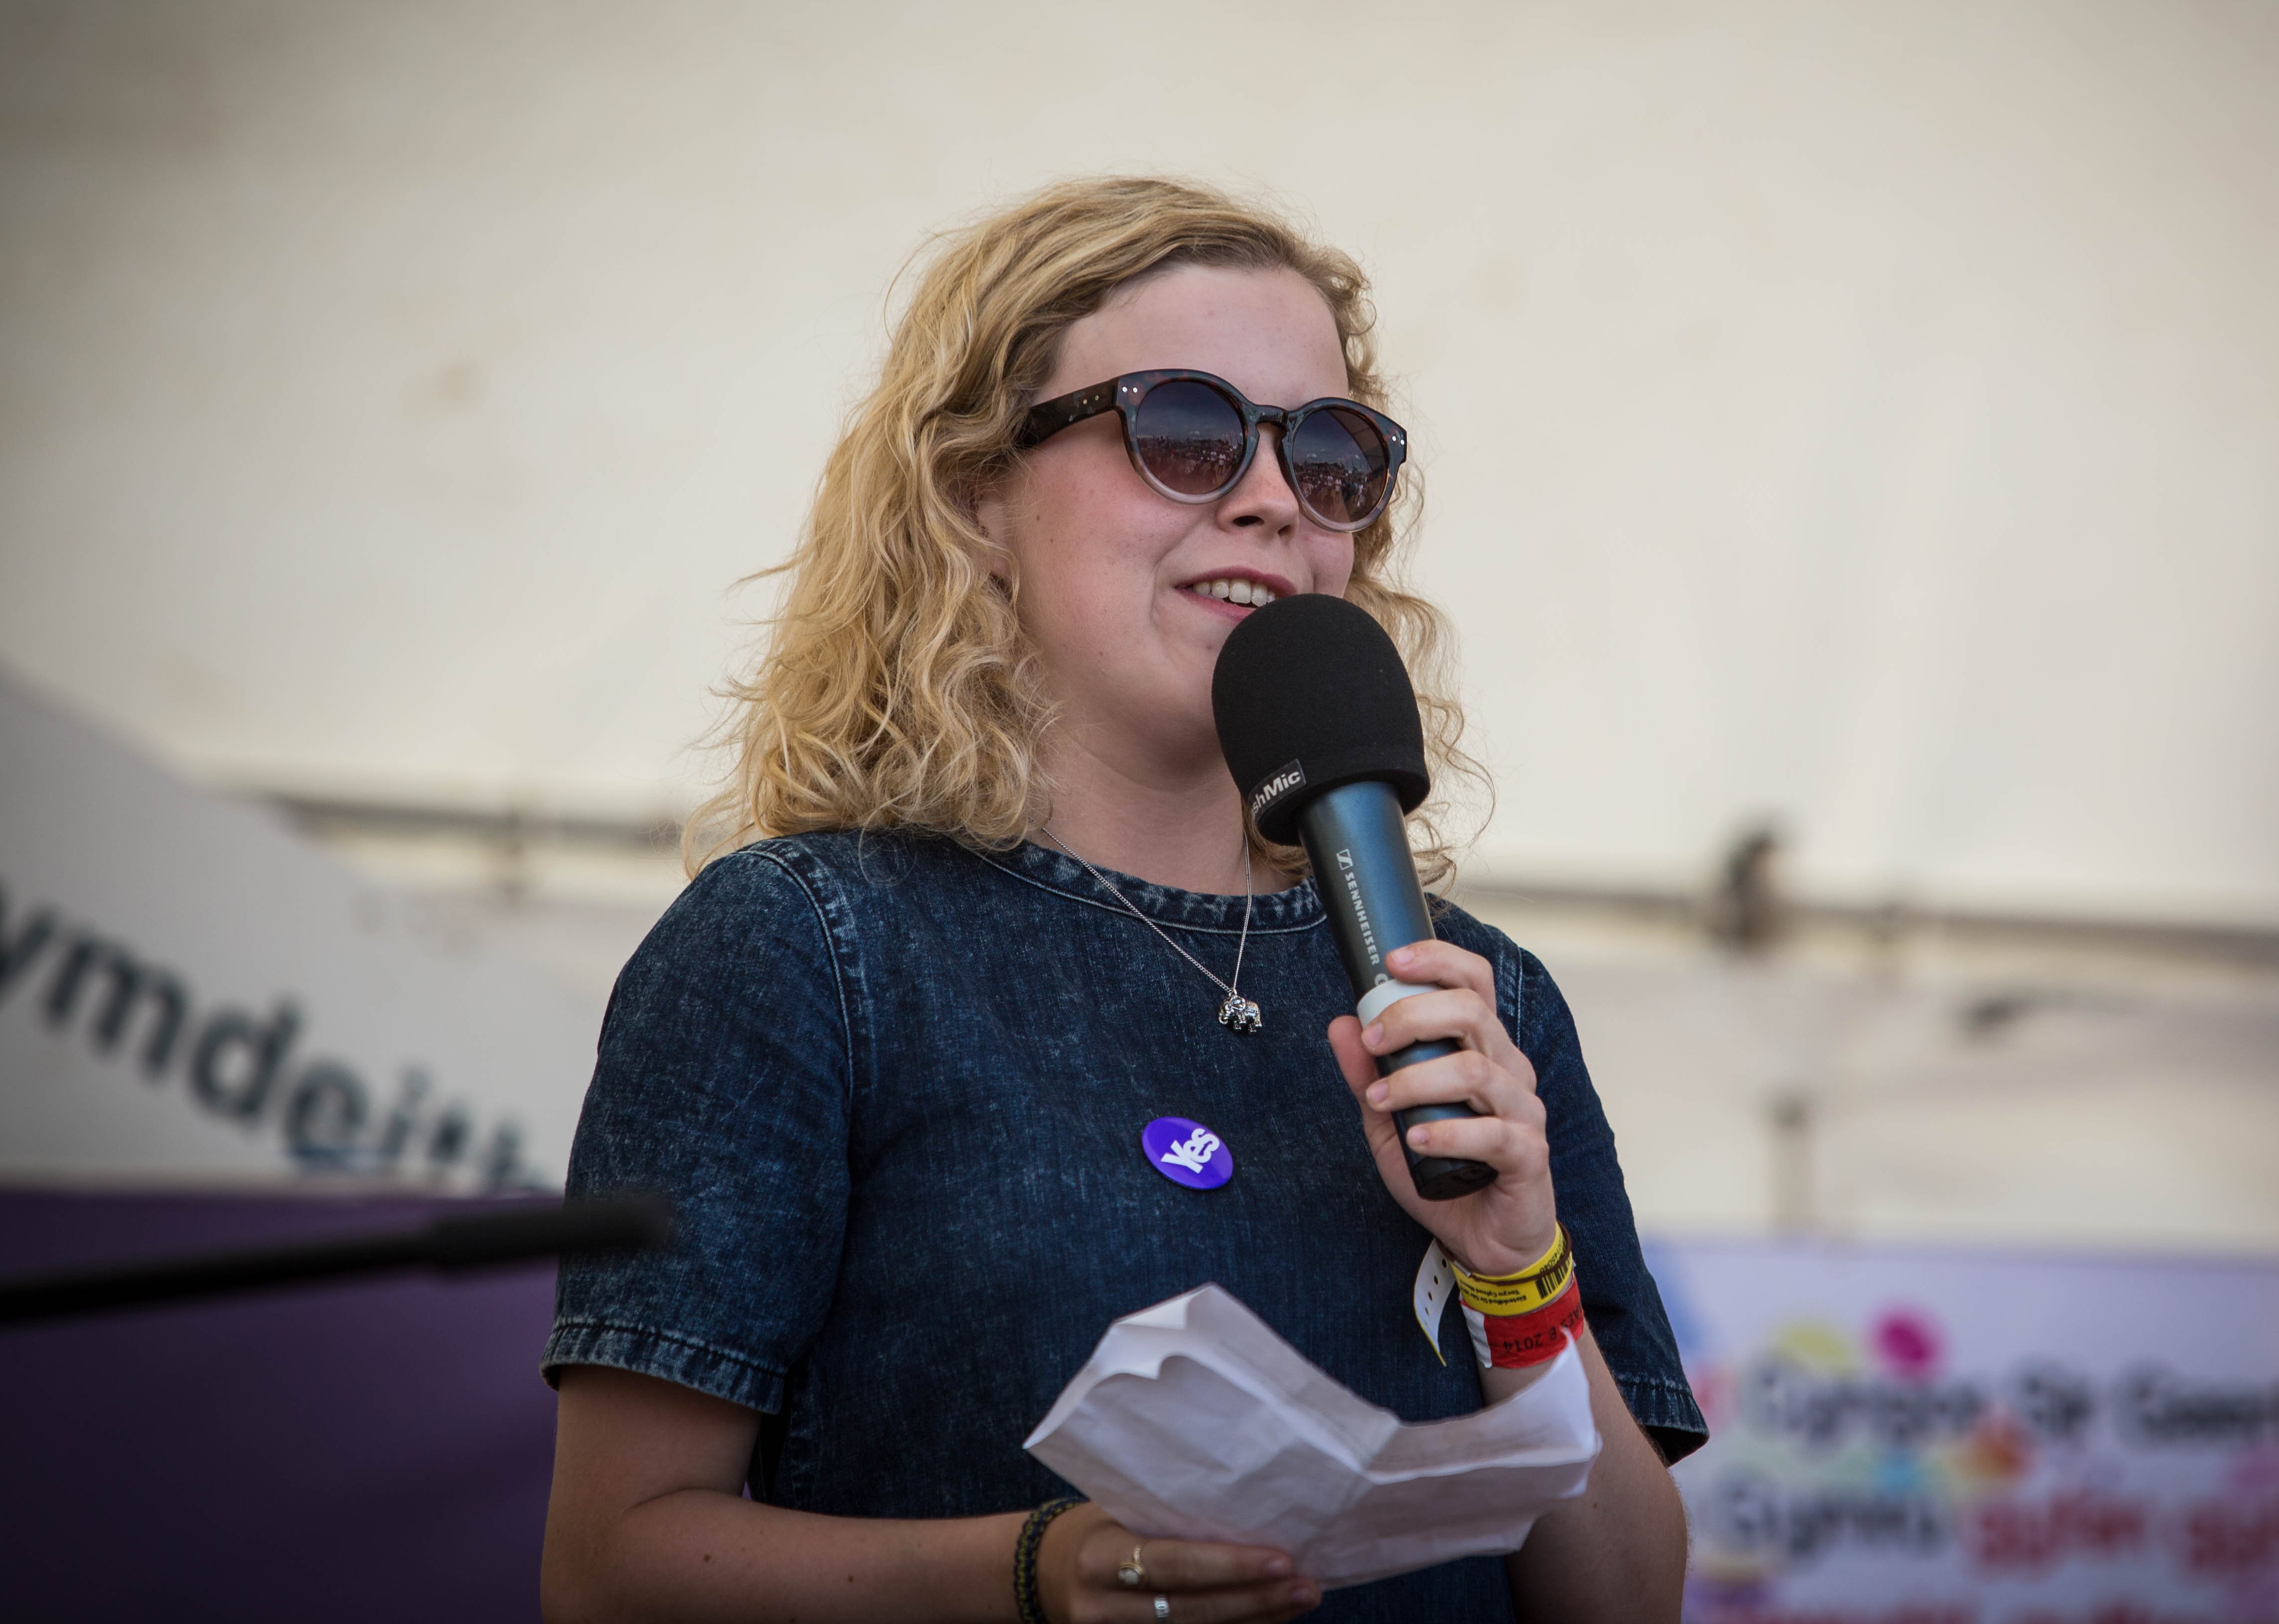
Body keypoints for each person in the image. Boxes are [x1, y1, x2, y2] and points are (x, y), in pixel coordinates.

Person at [537, 177, 1705, 1623]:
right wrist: (1033, 1573)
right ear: (976, 496)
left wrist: (1520, 1273)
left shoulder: (1477, 994)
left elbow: (1626, 1601)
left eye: (1330, 454)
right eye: (1189, 432)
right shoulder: (806, 947)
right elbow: (610, 1572)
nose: (1273, 498)